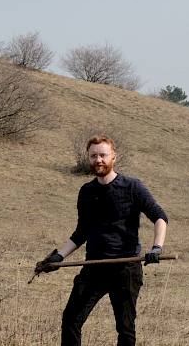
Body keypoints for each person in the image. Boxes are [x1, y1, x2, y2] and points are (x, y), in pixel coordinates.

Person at [34, 135, 169, 346]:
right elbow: (81, 233)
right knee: (71, 319)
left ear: (114, 156)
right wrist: (59, 256)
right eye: (94, 155)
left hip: (126, 268)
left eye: (103, 155)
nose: (99, 160)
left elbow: (160, 217)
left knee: (125, 328)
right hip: (93, 267)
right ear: (89, 158)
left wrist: (157, 248)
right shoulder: (86, 192)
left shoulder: (133, 187)